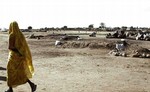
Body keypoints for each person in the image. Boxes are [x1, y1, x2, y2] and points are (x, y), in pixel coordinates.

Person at [6, 21, 37, 92]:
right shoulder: (20, 34)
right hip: (20, 57)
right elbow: (23, 46)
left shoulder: (12, 35)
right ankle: (31, 85)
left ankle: (10, 89)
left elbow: (10, 47)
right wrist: (21, 53)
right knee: (20, 73)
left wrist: (17, 52)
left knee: (10, 72)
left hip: (13, 57)